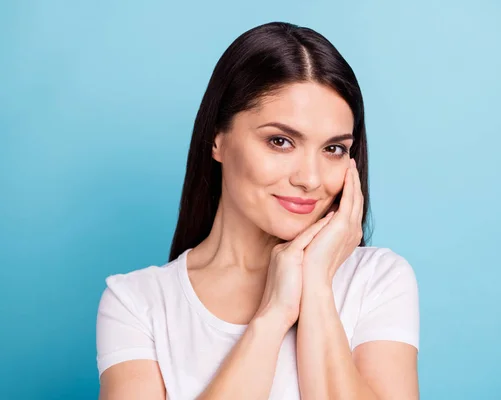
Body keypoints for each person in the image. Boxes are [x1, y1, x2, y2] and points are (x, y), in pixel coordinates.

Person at [96, 21, 420, 400]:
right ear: (217, 138)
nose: (310, 179)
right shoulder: (138, 303)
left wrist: (315, 283)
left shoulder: (378, 281)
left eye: (333, 149)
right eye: (280, 141)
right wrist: (272, 317)